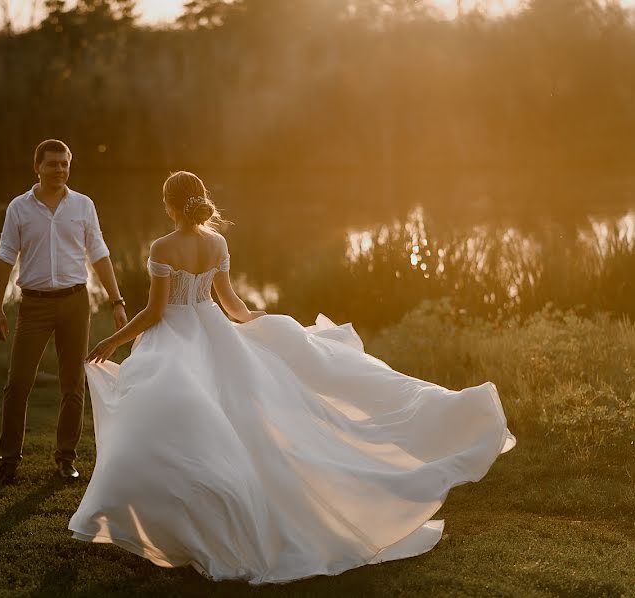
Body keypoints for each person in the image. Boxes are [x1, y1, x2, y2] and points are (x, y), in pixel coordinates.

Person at [69, 171, 516, 584]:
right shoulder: (217, 245)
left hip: (178, 338)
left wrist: (114, 342)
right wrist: (265, 326)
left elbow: (155, 312)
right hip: (216, 332)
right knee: (229, 424)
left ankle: (179, 520)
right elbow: (234, 307)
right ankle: (200, 514)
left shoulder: (162, 249)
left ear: (169, 206)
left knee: (168, 421)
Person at [0, 139, 128, 486]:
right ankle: (7, 462)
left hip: (75, 303)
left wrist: (117, 301)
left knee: (73, 384)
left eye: (65, 164)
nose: (60, 170)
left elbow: (99, 254)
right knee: (18, 384)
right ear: (37, 167)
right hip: (33, 305)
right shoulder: (19, 208)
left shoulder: (83, 206)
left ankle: (66, 460)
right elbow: (5, 257)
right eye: (52, 164)